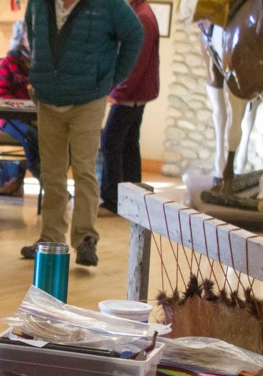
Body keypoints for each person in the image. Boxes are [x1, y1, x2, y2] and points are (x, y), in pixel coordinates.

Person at [20, 0, 143, 267]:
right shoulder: (38, 4)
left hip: (87, 100)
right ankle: (51, 238)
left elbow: (135, 34)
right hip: (48, 99)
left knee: (84, 169)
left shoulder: (108, 5)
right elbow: (32, 33)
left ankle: (85, 239)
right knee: (52, 172)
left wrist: (110, 79)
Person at [99, 0, 160, 215]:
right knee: (128, 144)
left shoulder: (141, 17)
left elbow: (135, 64)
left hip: (131, 95)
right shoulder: (139, 11)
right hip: (137, 94)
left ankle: (112, 202)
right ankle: (133, 198)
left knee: (110, 142)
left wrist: (117, 93)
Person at [0, 19, 41, 195]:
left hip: (34, 117)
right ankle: (40, 173)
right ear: (21, 38)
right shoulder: (7, 62)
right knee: (30, 135)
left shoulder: (41, 65)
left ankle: (48, 177)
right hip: (8, 117)